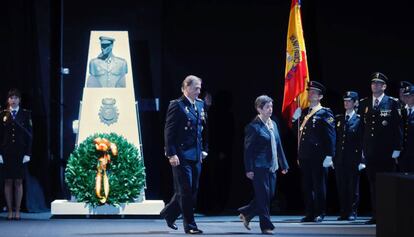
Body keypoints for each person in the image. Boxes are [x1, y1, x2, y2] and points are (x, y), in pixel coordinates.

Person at [160, 75, 208, 234]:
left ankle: (169, 212)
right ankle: (190, 226)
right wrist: (171, 154)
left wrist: (203, 149)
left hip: (196, 155)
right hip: (181, 155)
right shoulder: (177, 105)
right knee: (185, 191)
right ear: (186, 88)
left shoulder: (200, 105)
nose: (198, 91)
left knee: (191, 190)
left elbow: (203, 129)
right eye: (196, 88)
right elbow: (169, 131)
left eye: (200, 88)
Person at [238, 95, 289, 235]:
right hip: (259, 167)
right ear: (259, 109)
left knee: (269, 195)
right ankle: (266, 226)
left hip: (272, 166)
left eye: (271, 106)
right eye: (267, 107)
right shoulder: (253, 127)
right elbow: (247, 151)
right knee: (263, 197)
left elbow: (278, 146)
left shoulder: (274, 124)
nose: (270, 109)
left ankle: (247, 212)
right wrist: (249, 169)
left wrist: (283, 164)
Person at [359, 72, 402, 224]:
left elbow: (397, 127)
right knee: (373, 184)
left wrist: (397, 148)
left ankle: (389, 215)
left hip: (387, 152)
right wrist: (362, 150)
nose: (375, 86)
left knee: (387, 185)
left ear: (384, 86)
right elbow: (362, 129)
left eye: (378, 83)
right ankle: (376, 215)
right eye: (373, 83)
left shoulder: (392, 102)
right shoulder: (364, 103)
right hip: (370, 151)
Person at [292, 81, 336, 223]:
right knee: (306, 186)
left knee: (319, 185)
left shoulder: (325, 112)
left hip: (319, 156)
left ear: (320, 96)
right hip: (305, 155)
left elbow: (331, 135)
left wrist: (330, 155)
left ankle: (320, 212)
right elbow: (298, 134)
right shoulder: (305, 112)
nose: (310, 94)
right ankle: (309, 212)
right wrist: (294, 119)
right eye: (309, 92)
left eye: (313, 92)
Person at [0, 89, 32, 220]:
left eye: (16, 98)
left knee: (18, 181)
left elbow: (30, 135)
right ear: (8, 100)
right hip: (6, 152)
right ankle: (10, 210)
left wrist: (28, 153)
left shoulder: (26, 114)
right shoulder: (2, 114)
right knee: (8, 181)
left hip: (20, 152)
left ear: (19, 100)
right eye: (11, 98)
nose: (13, 100)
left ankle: (17, 210)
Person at [334, 91, 365, 221]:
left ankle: (352, 211)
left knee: (353, 187)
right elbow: (335, 139)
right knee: (342, 186)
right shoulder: (339, 119)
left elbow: (362, 141)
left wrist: (362, 159)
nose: (346, 103)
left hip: (353, 158)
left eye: (349, 101)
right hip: (340, 158)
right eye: (345, 101)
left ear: (355, 103)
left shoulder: (359, 120)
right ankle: (343, 211)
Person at [399, 83, 414, 172]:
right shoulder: (401, 111)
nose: (407, 98)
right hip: (403, 153)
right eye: (406, 96)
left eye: (410, 96)